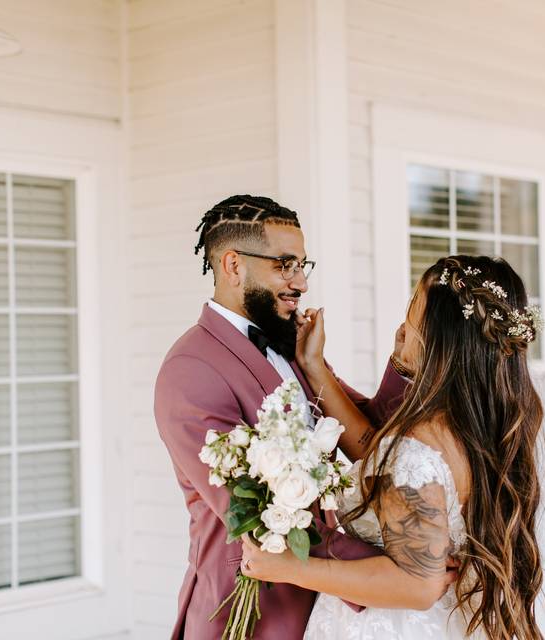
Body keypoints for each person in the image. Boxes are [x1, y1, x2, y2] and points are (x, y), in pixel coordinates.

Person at [153, 194, 451, 639]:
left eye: (302, 266)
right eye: (284, 265)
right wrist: (396, 571)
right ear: (233, 265)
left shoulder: (293, 348)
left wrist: (404, 359)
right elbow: (256, 515)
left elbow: (373, 435)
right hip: (252, 610)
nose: (301, 283)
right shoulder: (190, 371)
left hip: (323, 601)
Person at [240, 255, 545, 640]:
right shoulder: (480, 425)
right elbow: (377, 452)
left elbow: (417, 586)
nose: (403, 327)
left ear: (439, 338)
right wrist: (313, 364)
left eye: (413, 312)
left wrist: (286, 567)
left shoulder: (415, 451)